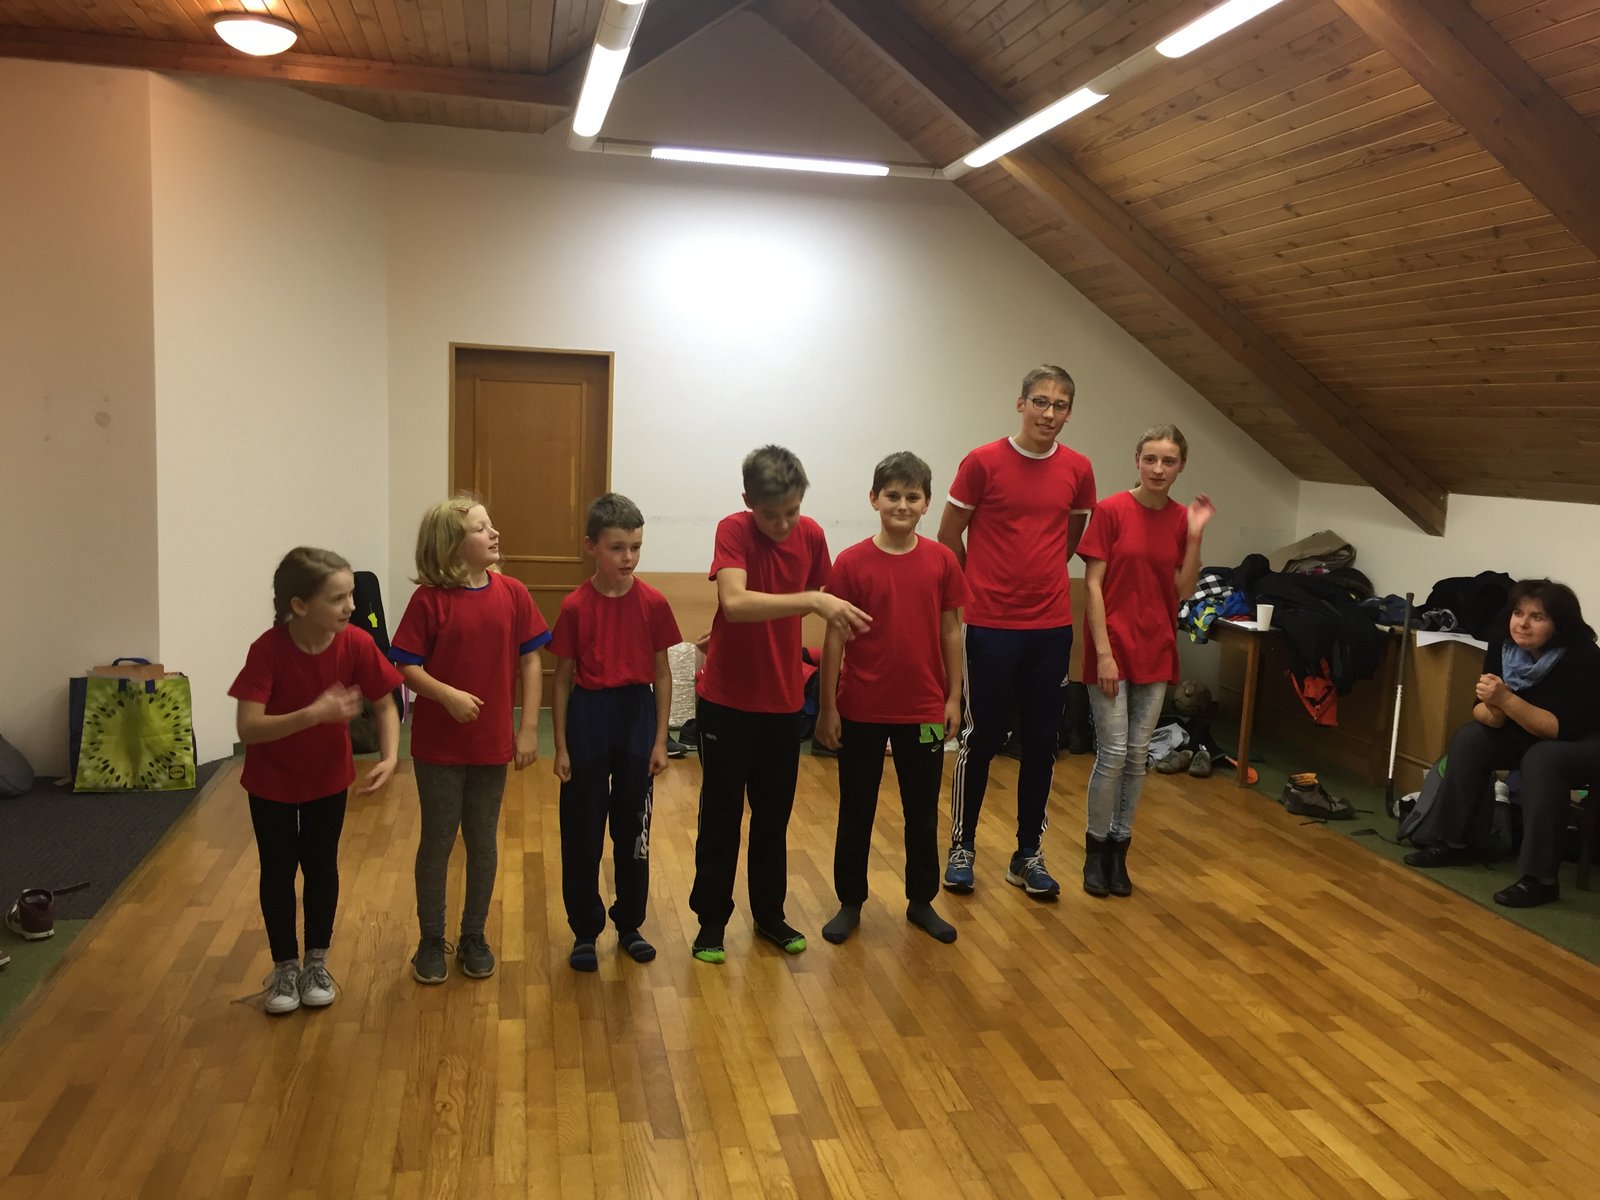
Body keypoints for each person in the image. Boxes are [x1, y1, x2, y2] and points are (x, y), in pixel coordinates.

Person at [687, 446, 871, 963]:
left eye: (793, 511)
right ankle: (711, 923)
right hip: (726, 702)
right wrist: (810, 600)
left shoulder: (811, 534)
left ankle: (770, 915)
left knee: (773, 819)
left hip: (783, 703)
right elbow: (736, 602)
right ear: (749, 501)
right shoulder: (733, 529)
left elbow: (815, 606)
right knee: (720, 819)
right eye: (772, 514)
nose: (784, 524)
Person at [938, 365, 1097, 899]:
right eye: (1041, 402)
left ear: (1069, 412)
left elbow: (1068, 540)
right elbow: (948, 537)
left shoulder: (1079, 468)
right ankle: (962, 848)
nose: (1049, 413)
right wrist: (977, 590)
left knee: (1042, 743)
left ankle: (1028, 853)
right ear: (1021, 403)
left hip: (1050, 628)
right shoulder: (981, 462)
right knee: (981, 739)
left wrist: (1038, 579)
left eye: (1060, 405)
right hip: (989, 626)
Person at [230, 547, 402, 1015]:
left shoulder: (357, 644)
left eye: (351, 595)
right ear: (300, 605)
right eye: (338, 598)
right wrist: (314, 714)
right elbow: (248, 728)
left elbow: (385, 703)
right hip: (271, 782)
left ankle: (316, 965)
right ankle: (285, 967)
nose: (351, 606)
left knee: (322, 866)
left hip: (327, 779)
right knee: (278, 870)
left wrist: (389, 756)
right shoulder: (267, 650)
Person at [391, 495, 550, 983]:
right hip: (438, 748)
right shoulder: (429, 601)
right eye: (481, 528)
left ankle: (474, 935)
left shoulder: (513, 593)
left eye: (490, 524)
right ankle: (431, 940)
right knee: (438, 839)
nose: (494, 533)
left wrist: (527, 728)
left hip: (490, 745)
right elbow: (406, 666)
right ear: (451, 544)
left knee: (482, 839)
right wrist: (447, 696)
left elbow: (531, 661)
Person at [815, 451, 967, 945]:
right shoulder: (851, 563)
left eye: (912, 497)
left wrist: (953, 698)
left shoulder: (942, 561)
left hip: (923, 710)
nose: (902, 505)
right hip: (860, 708)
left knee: (921, 811)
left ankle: (921, 901)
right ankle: (850, 902)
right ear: (874, 499)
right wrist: (828, 707)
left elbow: (951, 631)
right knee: (855, 809)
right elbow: (834, 638)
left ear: (926, 503)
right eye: (893, 495)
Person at [1404, 579, 1600, 907]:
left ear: (1559, 624)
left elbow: (1559, 728)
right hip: (1530, 729)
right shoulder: (1504, 645)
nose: (1522, 623)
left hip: (1584, 740)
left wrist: (1505, 701)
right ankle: (1456, 842)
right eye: (1518, 613)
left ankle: (1540, 879)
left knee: (1543, 759)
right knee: (1470, 738)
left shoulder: (1582, 656)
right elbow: (1481, 710)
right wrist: (1494, 708)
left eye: (1537, 617)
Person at [1077, 426, 1213, 898]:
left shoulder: (1179, 520)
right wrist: (1103, 654)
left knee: (1138, 755)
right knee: (1113, 753)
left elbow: (1184, 589)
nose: (1158, 469)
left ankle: (1119, 850)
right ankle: (1095, 851)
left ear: (1180, 466)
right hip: (1112, 647)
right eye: (1150, 459)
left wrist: (1195, 535)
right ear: (1137, 459)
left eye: (1168, 461)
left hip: (1156, 647)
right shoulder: (1111, 511)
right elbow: (1093, 585)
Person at [549, 494, 682, 972]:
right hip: (588, 716)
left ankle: (629, 924)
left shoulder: (653, 603)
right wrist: (561, 746)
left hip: (635, 715)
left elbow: (662, 674)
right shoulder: (574, 606)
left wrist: (660, 739)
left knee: (633, 829)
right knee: (582, 831)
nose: (628, 557)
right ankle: (585, 929)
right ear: (592, 546)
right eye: (617, 547)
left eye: (636, 547)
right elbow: (561, 680)